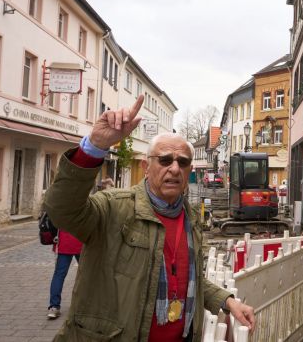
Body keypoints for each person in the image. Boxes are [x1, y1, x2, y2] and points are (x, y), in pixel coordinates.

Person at [42, 95, 254, 341]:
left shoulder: (190, 218)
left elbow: (186, 279)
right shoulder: (114, 207)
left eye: (182, 162)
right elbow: (62, 209)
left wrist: (227, 301)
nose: (174, 168)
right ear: (146, 166)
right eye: (164, 160)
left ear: (188, 171)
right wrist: (94, 148)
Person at [47, 229, 83, 320]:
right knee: (87, 274)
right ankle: (89, 305)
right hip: (82, 240)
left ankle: (54, 307)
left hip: (63, 241)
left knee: (59, 275)